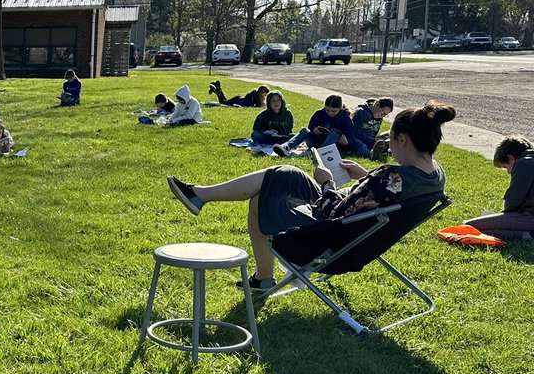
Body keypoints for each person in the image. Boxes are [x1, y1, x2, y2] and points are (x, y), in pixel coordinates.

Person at [167, 100, 456, 290]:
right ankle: (201, 195)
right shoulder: (435, 175)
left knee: (261, 196)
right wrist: (364, 177)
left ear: (403, 139)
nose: (388, 147)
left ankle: (262, 276)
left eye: (389, 141)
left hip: (327, 241)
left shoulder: (389, 177)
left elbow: (334, 216)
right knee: (284, 172)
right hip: (358, 239)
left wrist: (327, 183)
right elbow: (383, 198)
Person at [465, 135, 534, 241]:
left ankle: (526, 235)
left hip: (529, 217)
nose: (508, 172)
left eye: (505, 167)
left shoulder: (523, 164)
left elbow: (513, 199)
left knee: (469, 226)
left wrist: (503, 215)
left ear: (511, 158)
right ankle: (527, 234)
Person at [272, 94, 355, 157]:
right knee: (305, 130)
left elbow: (351, 140)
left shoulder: (345, 118)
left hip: (334, 146)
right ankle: (286, 147)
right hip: (317, 142)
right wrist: (314, 130)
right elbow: (309, 130)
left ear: (340, 108)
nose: (330, 113)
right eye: (327, 110)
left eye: (333, 111)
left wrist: (346, 143)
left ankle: (320, 154)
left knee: (335, 133)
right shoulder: (318, 114)